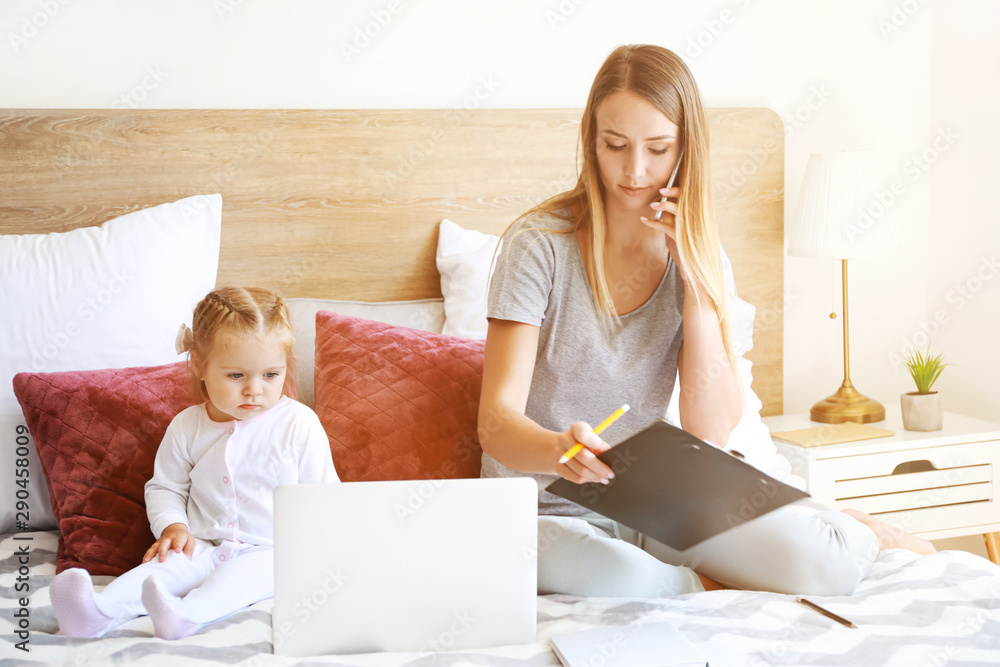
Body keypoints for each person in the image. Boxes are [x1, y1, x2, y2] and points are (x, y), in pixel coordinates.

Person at [478, 44, 933, 598]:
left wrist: (697, 279)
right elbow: (495, 422)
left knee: (827, 569)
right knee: (621, 580)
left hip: (649, 503)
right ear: (590, 140)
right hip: (547, 510)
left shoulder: (698, 255)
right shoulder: (538, 245)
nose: (635, 170)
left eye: (658, 148)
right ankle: (711, 581)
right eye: (615, 145)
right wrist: (558, 450)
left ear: (685, 148)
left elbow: (710, 427)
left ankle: (855, 530)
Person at [50, 287, 339, 639]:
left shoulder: (299, 423)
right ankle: (96, 611)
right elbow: (165, 487)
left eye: (270, 375)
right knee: (163, 570)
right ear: (201, 366)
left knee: (238, 580)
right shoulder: (188, 425)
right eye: (236, 376)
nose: (254, 390)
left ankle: (186, 615)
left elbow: (325, 497)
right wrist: (173, 527)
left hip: (270, 550)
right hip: (202, 543)